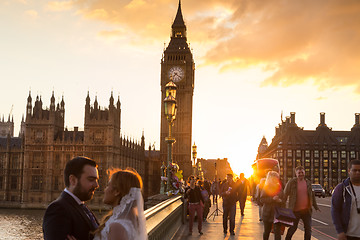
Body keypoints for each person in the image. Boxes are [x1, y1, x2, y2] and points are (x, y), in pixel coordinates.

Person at [43, 156, 100, 240]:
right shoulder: (58, 209)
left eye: (96, 180)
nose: (96, 185)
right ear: (73, 180)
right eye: (91, 179)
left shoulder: (82, 206)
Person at [93, 168, 147, 240]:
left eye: (108, 185)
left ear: (117, 191)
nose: (105, 190)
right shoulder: (131, 222)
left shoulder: (117, 227)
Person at [283, 165, 320, 240]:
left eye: (302, 172)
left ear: (304, 173)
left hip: (306, 211)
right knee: (293, 228)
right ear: (296, 174)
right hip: (295, 211)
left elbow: (311, 195)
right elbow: (285, 194)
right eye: (299, 173)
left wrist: (315, 206)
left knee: (308, 229)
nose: (301, 174)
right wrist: (282, 206)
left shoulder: (308, 182)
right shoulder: (291, 182)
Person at [331, 159, 360, 240]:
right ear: (349, 171)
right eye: (355, 170)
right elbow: (335, 210)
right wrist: (340, 231)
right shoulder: (341, 188)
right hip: (348, 234)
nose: (357, 173)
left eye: (359, 170)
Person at [260, 171, 284, 240]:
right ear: (270, 178)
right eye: (274, 177)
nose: (276, 179)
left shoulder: (279, 187)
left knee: (277, 232)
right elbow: (262, 199)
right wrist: (272, 199)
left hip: (277, 213)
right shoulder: (266, 187)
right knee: (267, 231)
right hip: (267, 213)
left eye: (277, 177)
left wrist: (280, 200)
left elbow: (283, 197)